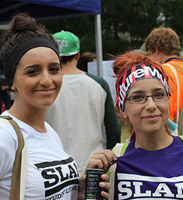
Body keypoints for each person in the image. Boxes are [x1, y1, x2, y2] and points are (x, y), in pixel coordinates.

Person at [0, 13, 110, 200]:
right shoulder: (4, 136)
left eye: (53, 69)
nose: (46, 80)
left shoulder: (49, 133)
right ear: (12, 82)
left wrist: (78, 192)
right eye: (33, 71)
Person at [89, 51, 183, 199]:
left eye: (159, 94)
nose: (151, 105)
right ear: (122, 109)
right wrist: (88, 191)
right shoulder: (111, 164)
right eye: (138, 97)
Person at [46, 30, 121, 176]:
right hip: (93, 166)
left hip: (55, 170)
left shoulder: (45, 86)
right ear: (78, 56)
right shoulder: (98, 84)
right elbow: (113, 130)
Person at [145, 27, 183, 135]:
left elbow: (162, 117)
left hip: (175, 146)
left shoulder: (161, 72)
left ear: (155, 49)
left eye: (149, 54)